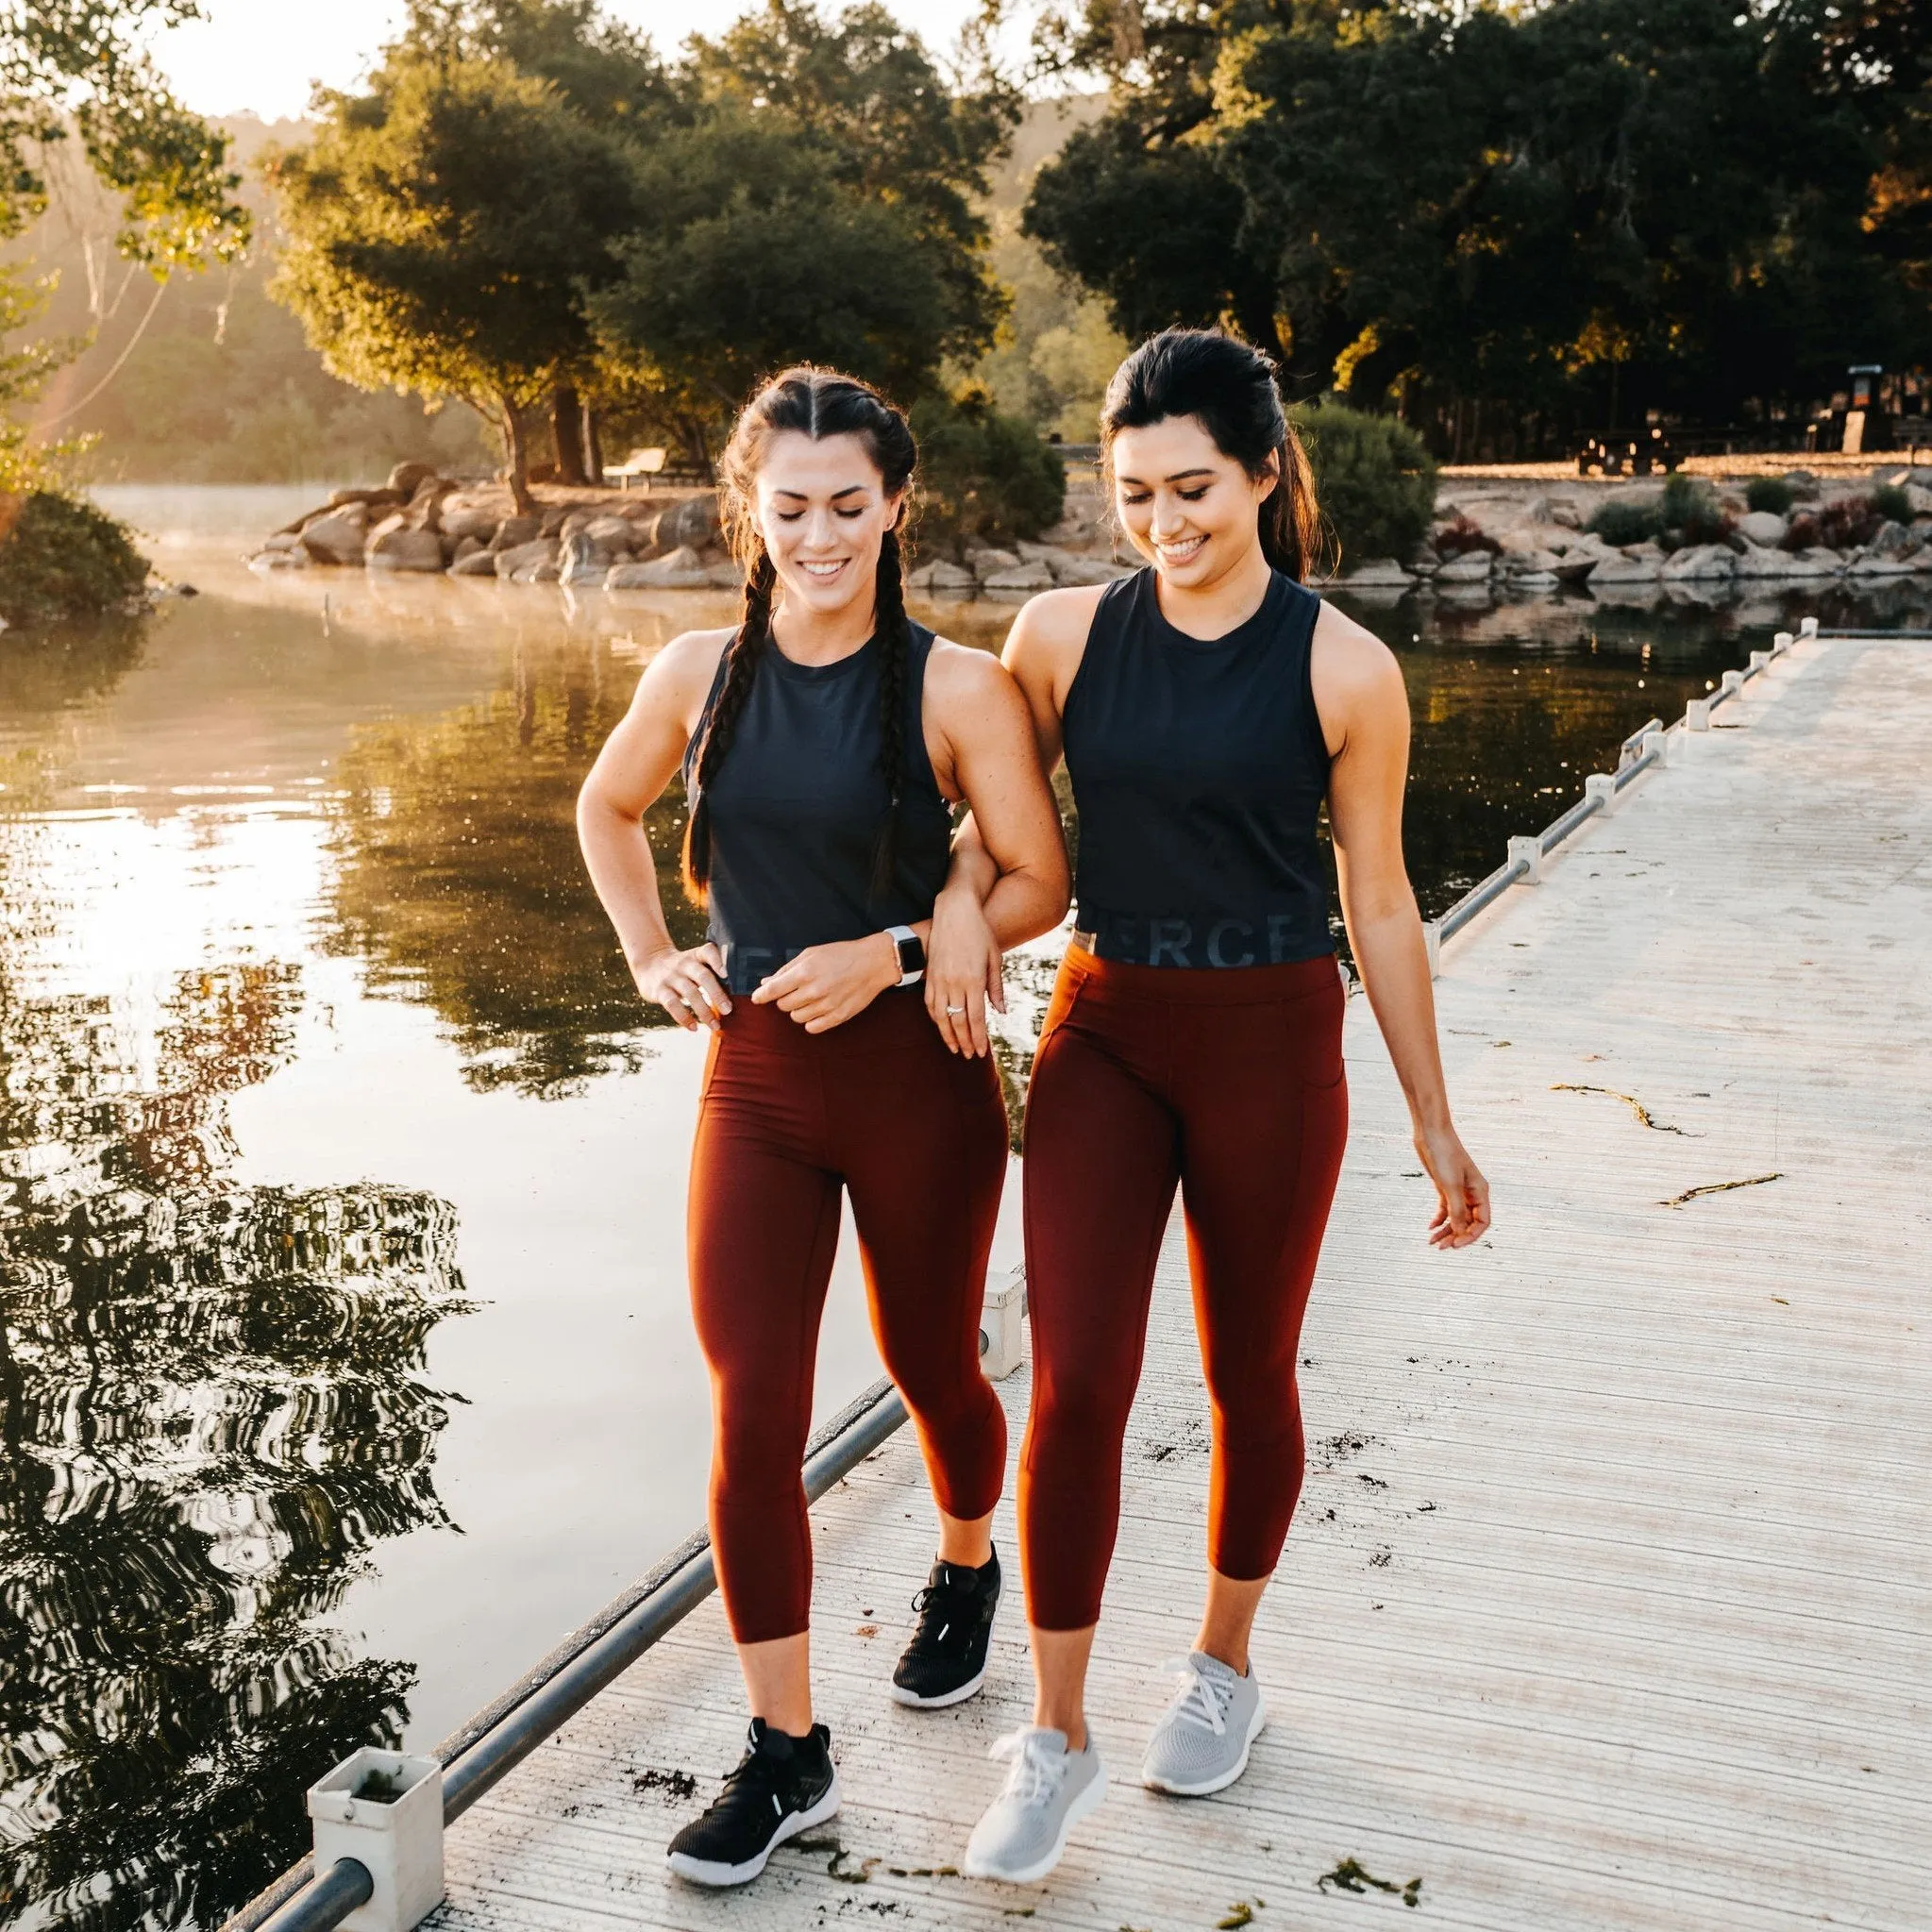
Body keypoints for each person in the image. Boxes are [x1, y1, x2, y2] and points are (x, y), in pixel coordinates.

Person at [931, 328, 1492, 1883]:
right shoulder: (1053, 637)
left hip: (1270, 1037)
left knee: (1250, 1369)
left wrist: (1433, 1120)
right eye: (1133, 495)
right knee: (1079, 1380)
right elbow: (996, 828)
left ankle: (1223, 1664)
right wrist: (959, 899)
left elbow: (1377, 906)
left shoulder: (1343, 667)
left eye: (1192, 487)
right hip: (1105, 1026)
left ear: (1260, 473)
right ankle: (1053, 1734)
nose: (1164, 521)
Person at [577, 367, 1068, 1889]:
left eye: (848, 505)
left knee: (930, 1363)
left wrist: (907, 948)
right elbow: (604, 811)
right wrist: (651, 955)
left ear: (894, 507)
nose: (818, 535)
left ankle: (969, 1556)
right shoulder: (692, 672)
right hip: (756, 1087)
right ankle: (785, 1752)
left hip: (921, 1081)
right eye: (788, 508)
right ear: (749, 510)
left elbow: (1039, 882)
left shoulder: (955, 686)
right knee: (749, 1416)